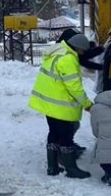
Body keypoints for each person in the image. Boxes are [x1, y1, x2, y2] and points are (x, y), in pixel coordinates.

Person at [29, 33, 93, 179]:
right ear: (77, 47)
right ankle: (71, 169)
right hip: (59, 105)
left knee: (54, 133)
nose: (82, 53)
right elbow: (74, 86)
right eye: (82, 50)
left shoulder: (56, 52)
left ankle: (52, 167)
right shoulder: (68, 59)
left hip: (48, 103)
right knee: (66, 135)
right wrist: (87, 104)